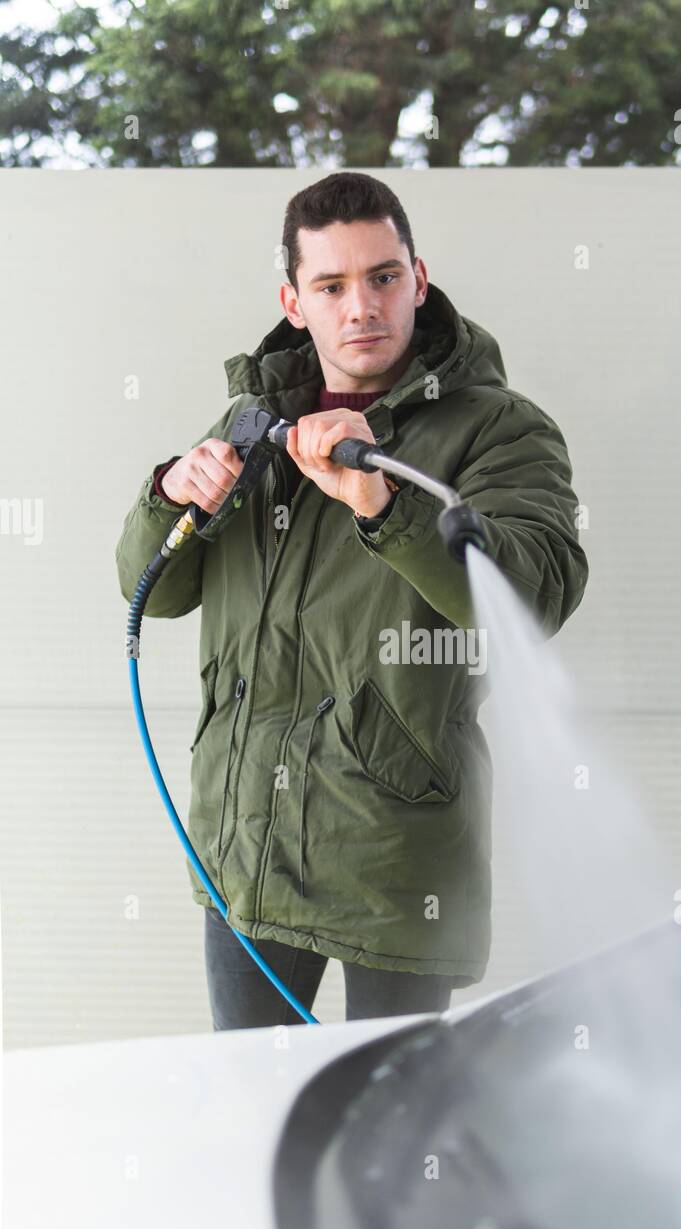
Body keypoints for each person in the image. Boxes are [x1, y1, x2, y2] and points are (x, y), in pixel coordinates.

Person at [115, 171, 588, 1028]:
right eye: (331, 286)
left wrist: (385, 504)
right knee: (258, 1117)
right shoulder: (251, 425)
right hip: (244, 843)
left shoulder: (498, 429)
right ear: (294, 301)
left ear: (419, 279)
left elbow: (534, 594)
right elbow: (155, 589)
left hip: (393, 853)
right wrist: (170, 496)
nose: (360, 305)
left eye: (382, 277)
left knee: (394, 1135)